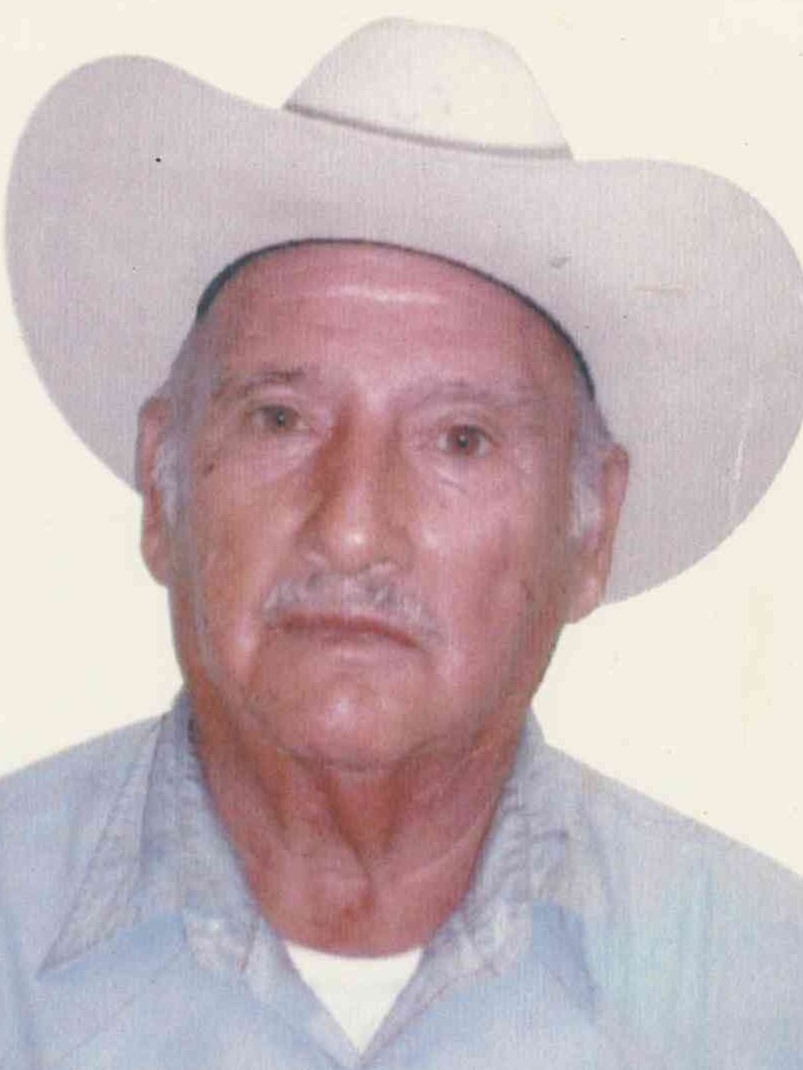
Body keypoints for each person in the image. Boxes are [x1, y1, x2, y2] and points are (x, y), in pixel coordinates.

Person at [3, 16, 803, 1068]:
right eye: (279, 418)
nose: (349, 529)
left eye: (459, 440)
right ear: (162, 485)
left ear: (591, 530)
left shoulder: (763, 993)